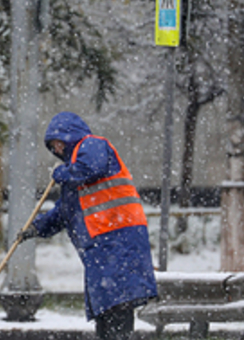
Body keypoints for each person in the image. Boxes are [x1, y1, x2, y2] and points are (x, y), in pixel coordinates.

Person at [18, 111, 157, 340]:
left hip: (118, 242)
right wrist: (35, 228)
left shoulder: (92, 145)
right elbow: (63, 212)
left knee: (118, 311)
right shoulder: (73, 180)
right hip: (102, 250)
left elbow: (89, 168)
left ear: (70, 137)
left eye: (59, 143)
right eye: (53, 146)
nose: (57, 150)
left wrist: (60, 172)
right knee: (106, 315)